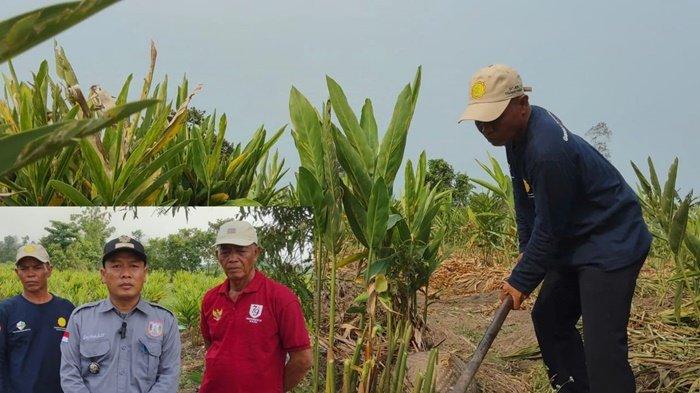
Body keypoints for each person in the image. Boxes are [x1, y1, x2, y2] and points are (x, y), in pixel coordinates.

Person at [459, 64, 652, 393]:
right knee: (549, 318)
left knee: (602, 349)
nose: (485, 127)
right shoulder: (517, 134)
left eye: (493, 118)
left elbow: (549, 230)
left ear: (522, 104)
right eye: (480, 119)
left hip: (610, 240)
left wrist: (521, 281)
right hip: (575, 239)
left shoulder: (547, 151)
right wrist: (524, 249)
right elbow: (524, 194)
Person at [199, 220, 312, 392]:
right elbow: (211, 346)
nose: (232, 259)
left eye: (241, 251)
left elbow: (303, 360)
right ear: (217, 255)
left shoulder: (281, 298)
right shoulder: (210, 298)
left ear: (256, 252)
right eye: (225, 251)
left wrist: (274, 389)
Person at [60, 235, 181, 393]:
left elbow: (169, 376)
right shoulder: (81, 318)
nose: (126, 274)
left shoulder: (165, 320)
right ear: (103, 274)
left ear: (145, 274)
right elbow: (70, 375)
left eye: (134, 266)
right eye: (116, 266)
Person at [0, 243, 75, 393]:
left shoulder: (67, 309)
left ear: (49, 270)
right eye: (24, 268)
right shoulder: (6, 310)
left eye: (37, 267)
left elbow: (76, 357)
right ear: (16, 272)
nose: (30, 273)